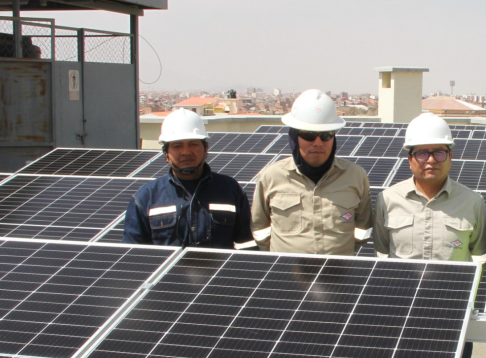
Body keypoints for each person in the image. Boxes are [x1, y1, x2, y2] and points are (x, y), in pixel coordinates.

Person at [374, 113, 486, 358]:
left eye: (439, 151)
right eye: (421, 152)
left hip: (451, 319)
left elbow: (479, 261)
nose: (430, 159)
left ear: (451, 155)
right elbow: (381, 256)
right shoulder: (388, 199)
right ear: (409, 158)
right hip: (402, 318)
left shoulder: (472, 202)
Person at [251, 90, 372, 255]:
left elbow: (363, 228)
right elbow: (259, 227)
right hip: (286, 275)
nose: (318, 143)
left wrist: (344, 255)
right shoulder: (270, 177)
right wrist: (276, 261)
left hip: (338, 276)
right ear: (294, 137)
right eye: (308, 135)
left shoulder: (356, 176)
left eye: (326, 135)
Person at [123, 109, 254, 249]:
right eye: (177, 146)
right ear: (166, 153)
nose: (186, 152)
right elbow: (132, 251)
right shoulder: (147, 196)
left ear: (206, 148)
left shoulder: (230, 189)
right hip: (167, 271)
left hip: (220, 271)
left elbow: (246, 244)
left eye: (193, 144)